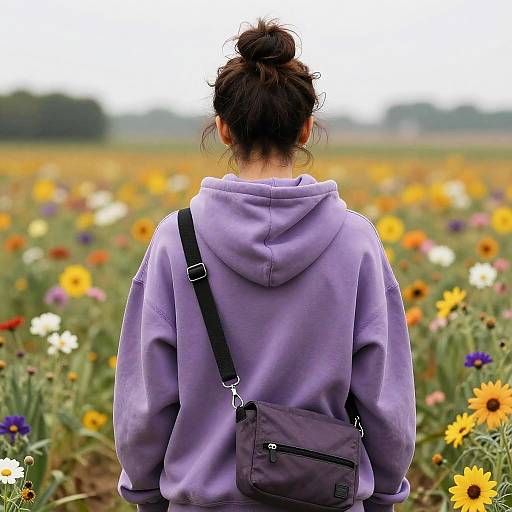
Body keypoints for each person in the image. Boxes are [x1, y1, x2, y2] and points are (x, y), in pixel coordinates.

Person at [113, 17, 416, 512]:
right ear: (306, 129)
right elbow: (386, 402)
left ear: (223, 129)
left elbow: (145, 404)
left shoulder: (176, 240)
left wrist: (145, 493)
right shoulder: (357, 242)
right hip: (329, 502)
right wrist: (383, 495)